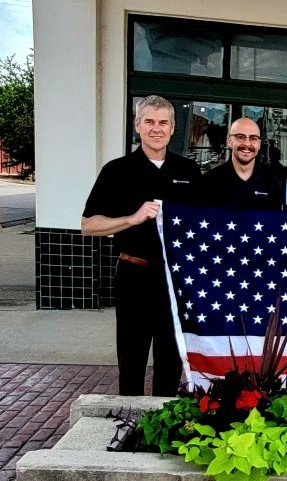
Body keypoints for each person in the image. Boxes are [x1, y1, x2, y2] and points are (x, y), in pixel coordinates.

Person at [81, 95, 202, 396]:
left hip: (174, 281)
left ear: (173, 128)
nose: (156, 128)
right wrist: (132, 219)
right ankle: (128, 429)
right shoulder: (117, 170)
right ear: (137, 125)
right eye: (149, 121)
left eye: (163, 122)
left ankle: (159, 437)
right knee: (132, 361)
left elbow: (205, 226)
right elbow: (88, 225)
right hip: (134, 275)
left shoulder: (189, 172)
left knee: (169, 364)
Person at [203, 117, 283, 210]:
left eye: (253, 138)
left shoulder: (271, 182)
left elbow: (276, 221)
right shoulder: (209, 182)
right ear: (229, 141)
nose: (247, 144)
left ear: (259, 144)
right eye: (241, 137)